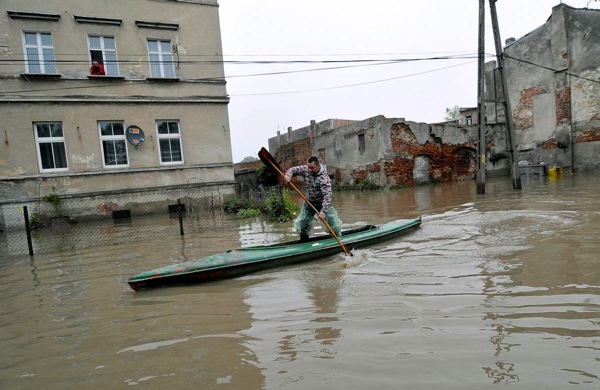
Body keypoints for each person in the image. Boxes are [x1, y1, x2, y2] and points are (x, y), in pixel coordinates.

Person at [284, 156, 342, 242]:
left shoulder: (324, 178)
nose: (309, 170)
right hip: (309, 202)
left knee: (332, 225)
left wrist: (323, 211)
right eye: (308, 167)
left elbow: (327, 196)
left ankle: (337, 240)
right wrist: (288, 175)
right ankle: (304, 241)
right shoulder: (306, 169)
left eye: (312, 168)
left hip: (322, 203)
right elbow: (293, 170)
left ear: (318, 166)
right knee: (303, 223)